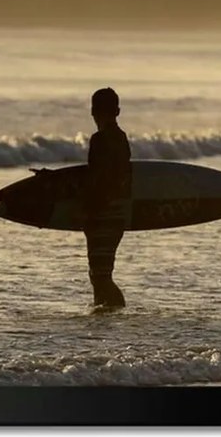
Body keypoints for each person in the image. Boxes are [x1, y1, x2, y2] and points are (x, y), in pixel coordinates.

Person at [80, 87, 132, 309]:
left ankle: (114, 312)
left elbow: (98, 179)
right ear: (117, 111)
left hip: (102, 213)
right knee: (101, 273)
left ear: (93, 111)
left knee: (100, 275)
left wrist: (89, 211)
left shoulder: (100, 139)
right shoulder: (121, 138)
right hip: (118, 212)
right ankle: (104, 313)